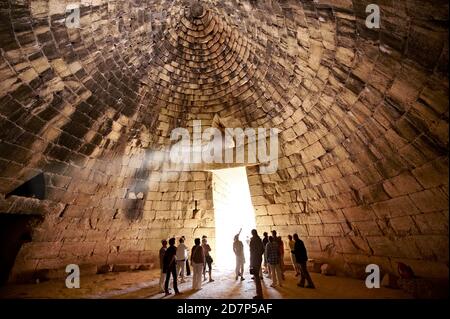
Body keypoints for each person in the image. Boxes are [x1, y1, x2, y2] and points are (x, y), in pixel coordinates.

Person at [249, 229, 264, 299]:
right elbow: (262, 250)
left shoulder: (253, 240)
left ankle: (259, 295)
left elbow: (251, 252)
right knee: (257, 276)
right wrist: (259, 255)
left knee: (256, 277)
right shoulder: (259, 239)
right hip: (259, 259)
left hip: (255, 259)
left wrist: (251, 263)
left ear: (252, 233)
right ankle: (259, 294)